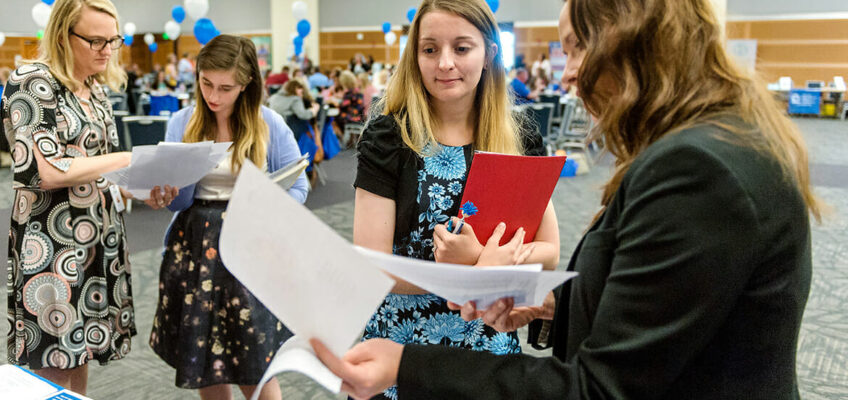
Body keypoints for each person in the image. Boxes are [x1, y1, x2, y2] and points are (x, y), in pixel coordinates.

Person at [311, 0, 822, 398]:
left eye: (578, 48)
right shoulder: (717, 143)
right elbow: (657, 303)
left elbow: (600, 387)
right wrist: (542, 302)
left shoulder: (697, 169)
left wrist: (407, 365)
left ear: (636, 41)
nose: (567, 72)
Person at [340, 1, 560, 399]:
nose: (444, 63)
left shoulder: (518, 137)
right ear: (415, 56)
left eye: (461, 48)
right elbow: (371, 266)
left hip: (488, 346)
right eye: (429, 49)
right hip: (402, 348)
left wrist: (477, 263)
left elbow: (550, 251)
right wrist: (476, 272)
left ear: (489, 53)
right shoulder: (389, 137)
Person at [1, 0, 177, 394]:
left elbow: (104, 171)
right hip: (52, 246)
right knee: (52, 364)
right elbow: (42, 170)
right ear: (64, 35)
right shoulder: (31, 80)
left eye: (112, 40)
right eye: (96, 40)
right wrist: (127, 157)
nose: (107, 50)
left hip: (98, 241)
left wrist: (143, 188)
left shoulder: (94, 91)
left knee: (78, 357)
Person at [148, 34, 308, 400]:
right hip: (194, 246)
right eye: (205, 83)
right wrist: (168, 188)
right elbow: (177, 204)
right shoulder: (182, 122)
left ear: (247, 84)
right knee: (206, 363)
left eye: (225, 87)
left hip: (250, 243)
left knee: (256, 363)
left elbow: (299, 186)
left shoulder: (268, 123)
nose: (213, 96)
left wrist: (271, 207)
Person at [335, 70, 364, 134]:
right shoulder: (357, 90)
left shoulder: (349, 93)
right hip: (359, 116)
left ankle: (341, 136)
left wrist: (335, 103)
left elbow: (344, 105)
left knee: (334, 117)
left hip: (352, 117)